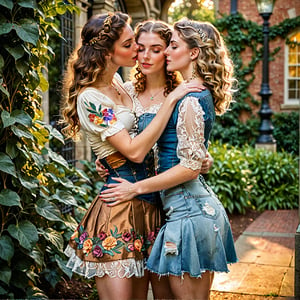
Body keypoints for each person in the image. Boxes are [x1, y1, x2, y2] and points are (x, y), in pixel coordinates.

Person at [60, 13, 203, 300]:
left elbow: (164, 143)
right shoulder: (91, 97)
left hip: (152, 209)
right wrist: (173, 98)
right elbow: (135, 151)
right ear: (107, 51)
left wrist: (199, 157)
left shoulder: (121, 86)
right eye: (131, 45)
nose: (139, 52)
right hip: (119, 208)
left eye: (148, 47)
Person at [100, 19, 238, 300]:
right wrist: (109, 160)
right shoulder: (123, 93)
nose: (146, 56)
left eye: (159, 48)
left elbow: (189, 153)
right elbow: (111, 138)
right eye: (140, 48)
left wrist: (200, 160)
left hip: (172, 209)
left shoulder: (184, 93)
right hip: (136, 208)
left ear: (169, 52)